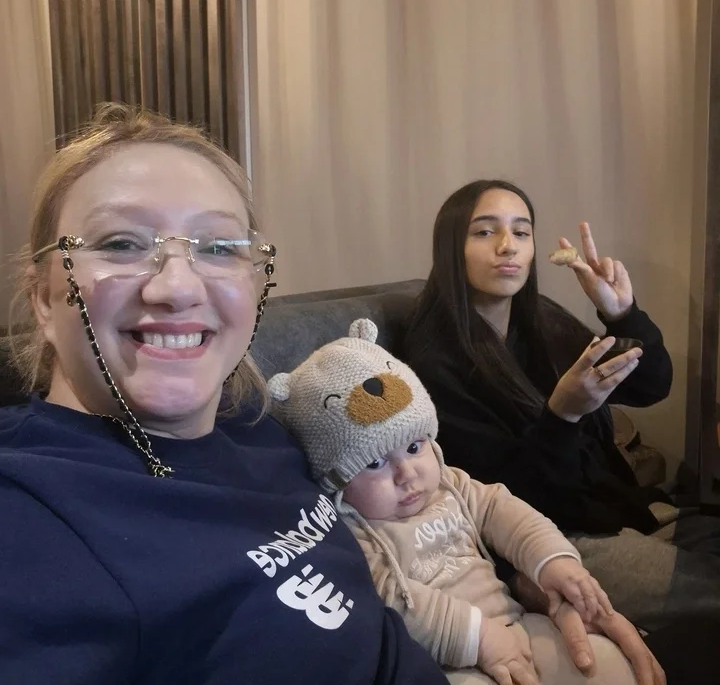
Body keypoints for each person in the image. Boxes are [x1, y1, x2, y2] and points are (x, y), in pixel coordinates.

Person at [0, 103, 454, 684]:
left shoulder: (257, 425)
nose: (177, 287)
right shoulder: (30, 512)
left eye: (217, 248)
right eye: (121, 242)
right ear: (43, 298)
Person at [267, 318, 664, 685]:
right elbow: (388, 599)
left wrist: (553, 563)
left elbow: (503, 510)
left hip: (515, 622)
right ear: (336, 484)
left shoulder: (450, 483)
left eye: (414, 446)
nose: (406, 474)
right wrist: (478, 638)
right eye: (374, 463)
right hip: (448, 661)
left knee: (604, 662)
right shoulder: (351, 531)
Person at [401, 179, 720, 632]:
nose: (508, 246)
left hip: (611, 507)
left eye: (522, 232)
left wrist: (622, 314)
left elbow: (651, 387)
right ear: (452, 247)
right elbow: (503, 502)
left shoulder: (540, 320)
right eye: (485, 232)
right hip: (552, 539)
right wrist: (563, 416)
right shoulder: (434, 362)